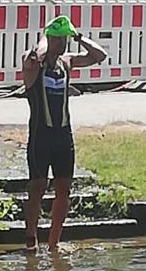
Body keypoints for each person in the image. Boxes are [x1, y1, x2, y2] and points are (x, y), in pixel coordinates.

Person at [22, 15, 108, 251]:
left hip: (63, 136)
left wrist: (78, 36)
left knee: (63, 189)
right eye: (58, 39)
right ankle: (31, 239)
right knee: (37, 187)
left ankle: (54, 244)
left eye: (64, 39)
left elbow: (99, 56)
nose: (62, 44)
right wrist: (46, 36)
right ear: (49, 39)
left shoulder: (66, 62)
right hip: (40, 136)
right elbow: (33, 57)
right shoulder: (34, 64)